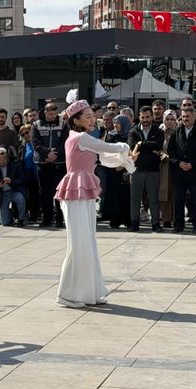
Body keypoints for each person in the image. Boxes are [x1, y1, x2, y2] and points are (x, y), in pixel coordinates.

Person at [54, 100, 133, 308]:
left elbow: (105, 157)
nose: (93, 119)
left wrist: (125, 159)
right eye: (88, 116)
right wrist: (125, 147)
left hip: (82, 192)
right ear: (76, 120)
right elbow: (109, 147)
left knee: (87, 243)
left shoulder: (80, 138)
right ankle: (70, 295)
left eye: (93, 116)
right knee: (80, 244)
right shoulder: (80, 137)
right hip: (76, 192)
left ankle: (90, 292)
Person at [167, 108, 196, 233]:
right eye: (183, 117)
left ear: (194, 117)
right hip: (179, 173)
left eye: (188, 116)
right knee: (179, 201)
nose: (185, 119)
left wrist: (193, 164)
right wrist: (178, 163)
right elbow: (171, 151)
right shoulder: (176, 132)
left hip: (195, 172)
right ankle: (178, 225)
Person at [127, 106, 164, 232]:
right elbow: (132, 146)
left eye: (148, 117)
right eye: (143, 117)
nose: (145, 119)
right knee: (135, 199)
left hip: (153, 170)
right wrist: (149, 148)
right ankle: (134, 223)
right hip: (136, 169)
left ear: (152, 117)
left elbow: (158, 145)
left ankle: (155, 224)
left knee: (153, 199)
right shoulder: (133, 132)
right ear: (139, 117)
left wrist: (141, 144)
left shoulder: (158, 131)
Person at [31, 102, 68, 228]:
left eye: (54, 114)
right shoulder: (36, 124)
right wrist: (47, 154)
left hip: (59, 163)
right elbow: (35, 142)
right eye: (50, 113)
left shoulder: (63, 124)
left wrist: (55, 154)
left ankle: (59, 218)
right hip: (43, 162)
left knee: (59, 191)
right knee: (45, 192)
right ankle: (47, 218)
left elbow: (65, 142)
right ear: (45, 112)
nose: (52, 116)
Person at [102, 114, 132, 228]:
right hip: (113, 170)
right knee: (114, 196)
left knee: (126, 196)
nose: (115, 125)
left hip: (125, 170)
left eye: (118, 123)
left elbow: (131, 152)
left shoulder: (130, 135)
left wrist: (123, 164)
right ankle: (115, 219)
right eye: (114, 123)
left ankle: (127, 220)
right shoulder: (111, 136)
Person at [0, 146, 27, 226]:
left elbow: (22, 179)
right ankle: (10, 215)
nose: (0, 162)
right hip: (2, 193)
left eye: (2, 160)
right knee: (5, 223)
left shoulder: (15, 164)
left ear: (6, 157)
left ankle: (21, 219)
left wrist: (11, 181)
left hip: (14, 190)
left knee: (21, 199)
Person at [158, 110, 177, 227]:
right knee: (164, 192)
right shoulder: (159, 132)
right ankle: (166, 218)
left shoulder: (179, 132)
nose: (169, 122)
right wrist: (161, 154)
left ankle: (176, 217)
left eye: (172, 119)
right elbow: (155, 147)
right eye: (167, 119)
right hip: (163, 165)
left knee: (175, 193)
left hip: (176, 166)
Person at [18, 124, 40, 222]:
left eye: (27, 132)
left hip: (38, 173)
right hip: (27, 175)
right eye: (23, 135)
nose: (26, 135)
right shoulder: (23, 146)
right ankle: (32, 215)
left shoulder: (38, 143)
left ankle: (39, 214)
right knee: (30, 195)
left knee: (38, 195)